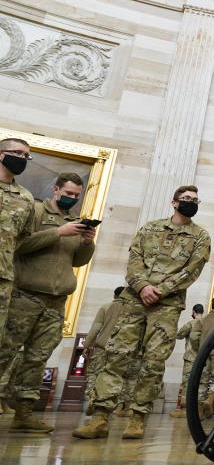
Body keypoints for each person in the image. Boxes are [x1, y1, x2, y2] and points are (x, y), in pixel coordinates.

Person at [73, 185, 211, 440]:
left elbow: (192, 271)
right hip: (134, 300)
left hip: (167, 306)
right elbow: (134, 260)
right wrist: (143, 286)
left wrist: (159, 290)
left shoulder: (201, 236)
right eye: (186, 199)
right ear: (174, 202)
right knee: (116, 357)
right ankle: (101, 417)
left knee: (154, 362)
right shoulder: (150, 228)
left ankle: (137, 418)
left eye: (195, 199)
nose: (191, 202)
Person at [0, 172, 95, 433]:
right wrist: (57, 232)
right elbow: (18, 245)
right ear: (56, 189)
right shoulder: (36, 210)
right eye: (68, 193)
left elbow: (77, 261)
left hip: (56, 301)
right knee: (5, 352)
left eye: (77, 195)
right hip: (25, 296)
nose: (72, 198)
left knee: (37, 358)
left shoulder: (75, 222)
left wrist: (87, 243)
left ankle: (24, 414)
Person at [0, 138, 35, 340]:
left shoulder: (25, 198)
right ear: (1, 154)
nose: (22, 158)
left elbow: (22, 236)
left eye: (26, 155)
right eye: (18, 153)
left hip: (3, 277)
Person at [83, 287, 126, 410]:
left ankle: (92, 395)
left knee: (93, 373)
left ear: (114, 295)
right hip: (120, 349)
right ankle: (109, 405)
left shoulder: (106, 307)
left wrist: (86, 345)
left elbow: (96, 328)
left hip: (102, 348)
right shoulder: (130, 309)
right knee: (114, 376)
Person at [169, 303, 204, 418]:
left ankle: (185, 409)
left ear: (193, 312)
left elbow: (178, 335)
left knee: (187, 383)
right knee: (201, 383)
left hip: (191, 358)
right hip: (203, 360)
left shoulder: (191, 323)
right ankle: (198, 410)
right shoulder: (207, 324)